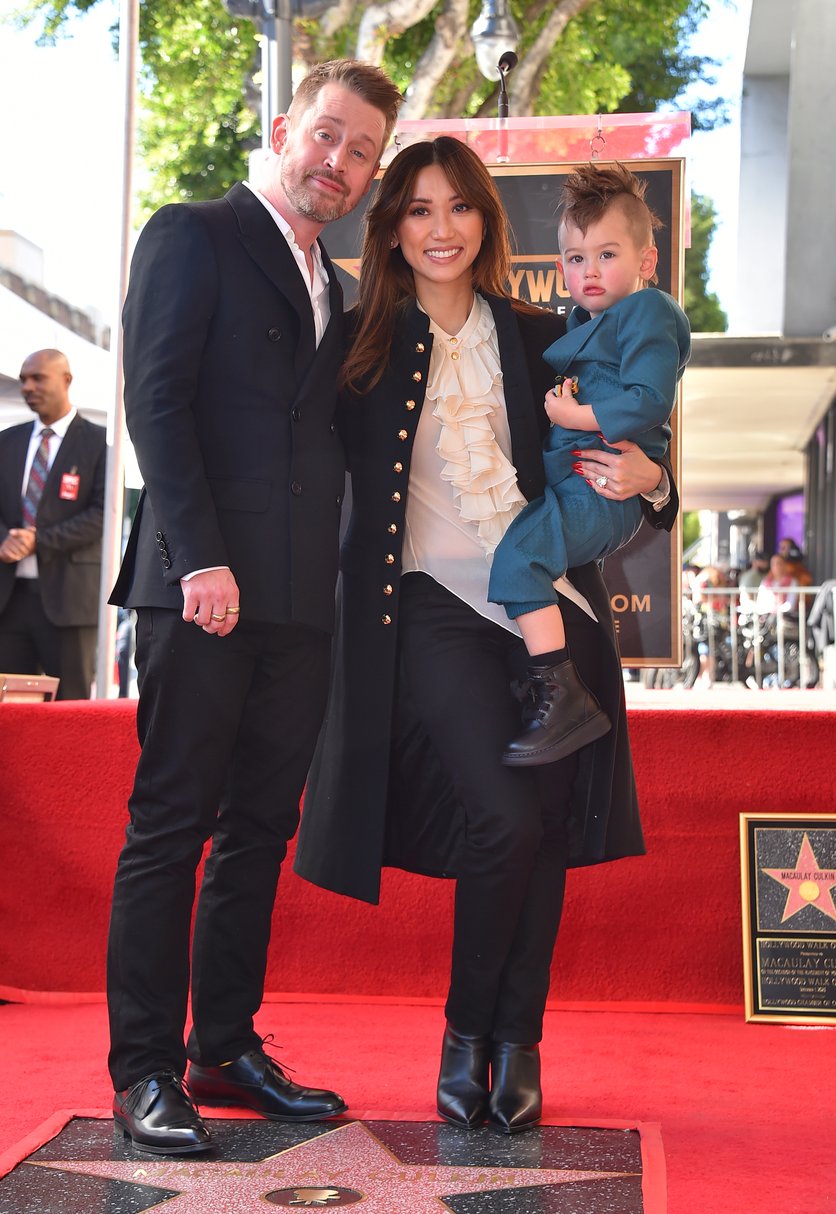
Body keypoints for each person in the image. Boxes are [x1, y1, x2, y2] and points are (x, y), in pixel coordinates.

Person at [294, 137, 677, 1135]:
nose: (438, 228)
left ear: (484, 222)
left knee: (541, 830)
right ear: (391, 228)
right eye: (416, 209)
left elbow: (634, 438)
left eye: (456, 207)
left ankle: (520, 1042)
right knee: (503, 817)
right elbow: (290, 462)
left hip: (552, 617)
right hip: (427, 611)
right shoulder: (361, 342)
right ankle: (469, 1034)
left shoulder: (545, 332)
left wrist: (656, 482)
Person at [106, 59, 403, 1156]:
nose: (339, 161)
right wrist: (199, 560)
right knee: (170, 823)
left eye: (361, 150)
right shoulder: (194, 232)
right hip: (201, 588)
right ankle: (142, 1070)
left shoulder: (339, 283)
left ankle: (220, 1046)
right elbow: (156, 399)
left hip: (296, 606)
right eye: (327, 135)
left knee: (257, 830)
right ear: (286, 128)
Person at [487, 163, 690, 764]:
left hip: (599, 487)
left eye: (606, 254)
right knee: (520, 555)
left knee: (520, 559)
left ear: (646, 261)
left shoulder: (648, 311)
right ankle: (552, 684)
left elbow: (651, 401)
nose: (590, 270)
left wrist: (584, 423)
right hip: (568, 484)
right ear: (560, 270)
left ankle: (560, 690)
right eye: (577, 259)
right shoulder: (580, 322)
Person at [0, 349, 105, 700]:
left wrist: (38, 540)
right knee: (11, 714)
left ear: (67, 380)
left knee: (71, 710)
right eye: (23, 380)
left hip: (69, 604)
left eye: (37, 378)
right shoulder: (6, 441)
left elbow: (102, 514)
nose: (28, 386)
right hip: (9, 601)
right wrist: (5, 540)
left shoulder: (99, 444)